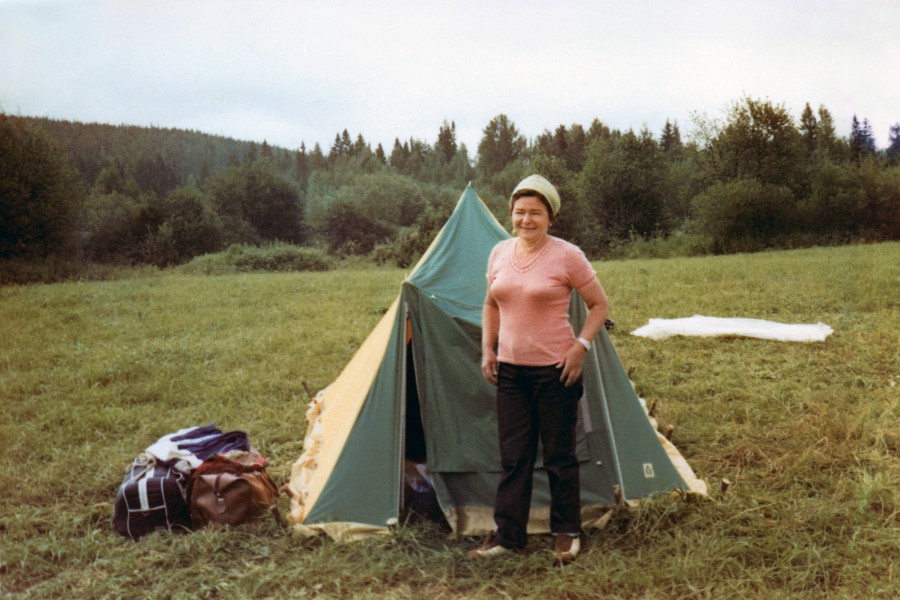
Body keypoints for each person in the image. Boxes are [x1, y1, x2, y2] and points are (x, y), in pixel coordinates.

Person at [469, 174, 609, 564]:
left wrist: (580, 347)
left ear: (550, 217)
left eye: (535, 212)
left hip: (556, 371)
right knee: (515, 458)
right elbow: (491, 304)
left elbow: (599, 305)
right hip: (511, 373)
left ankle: (567, 532)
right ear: (511, 214)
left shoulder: (567, 255)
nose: (526, 220)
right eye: (520, 212)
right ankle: (509, 536)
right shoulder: (499, 252)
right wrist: (488, 349)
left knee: (560, 456)